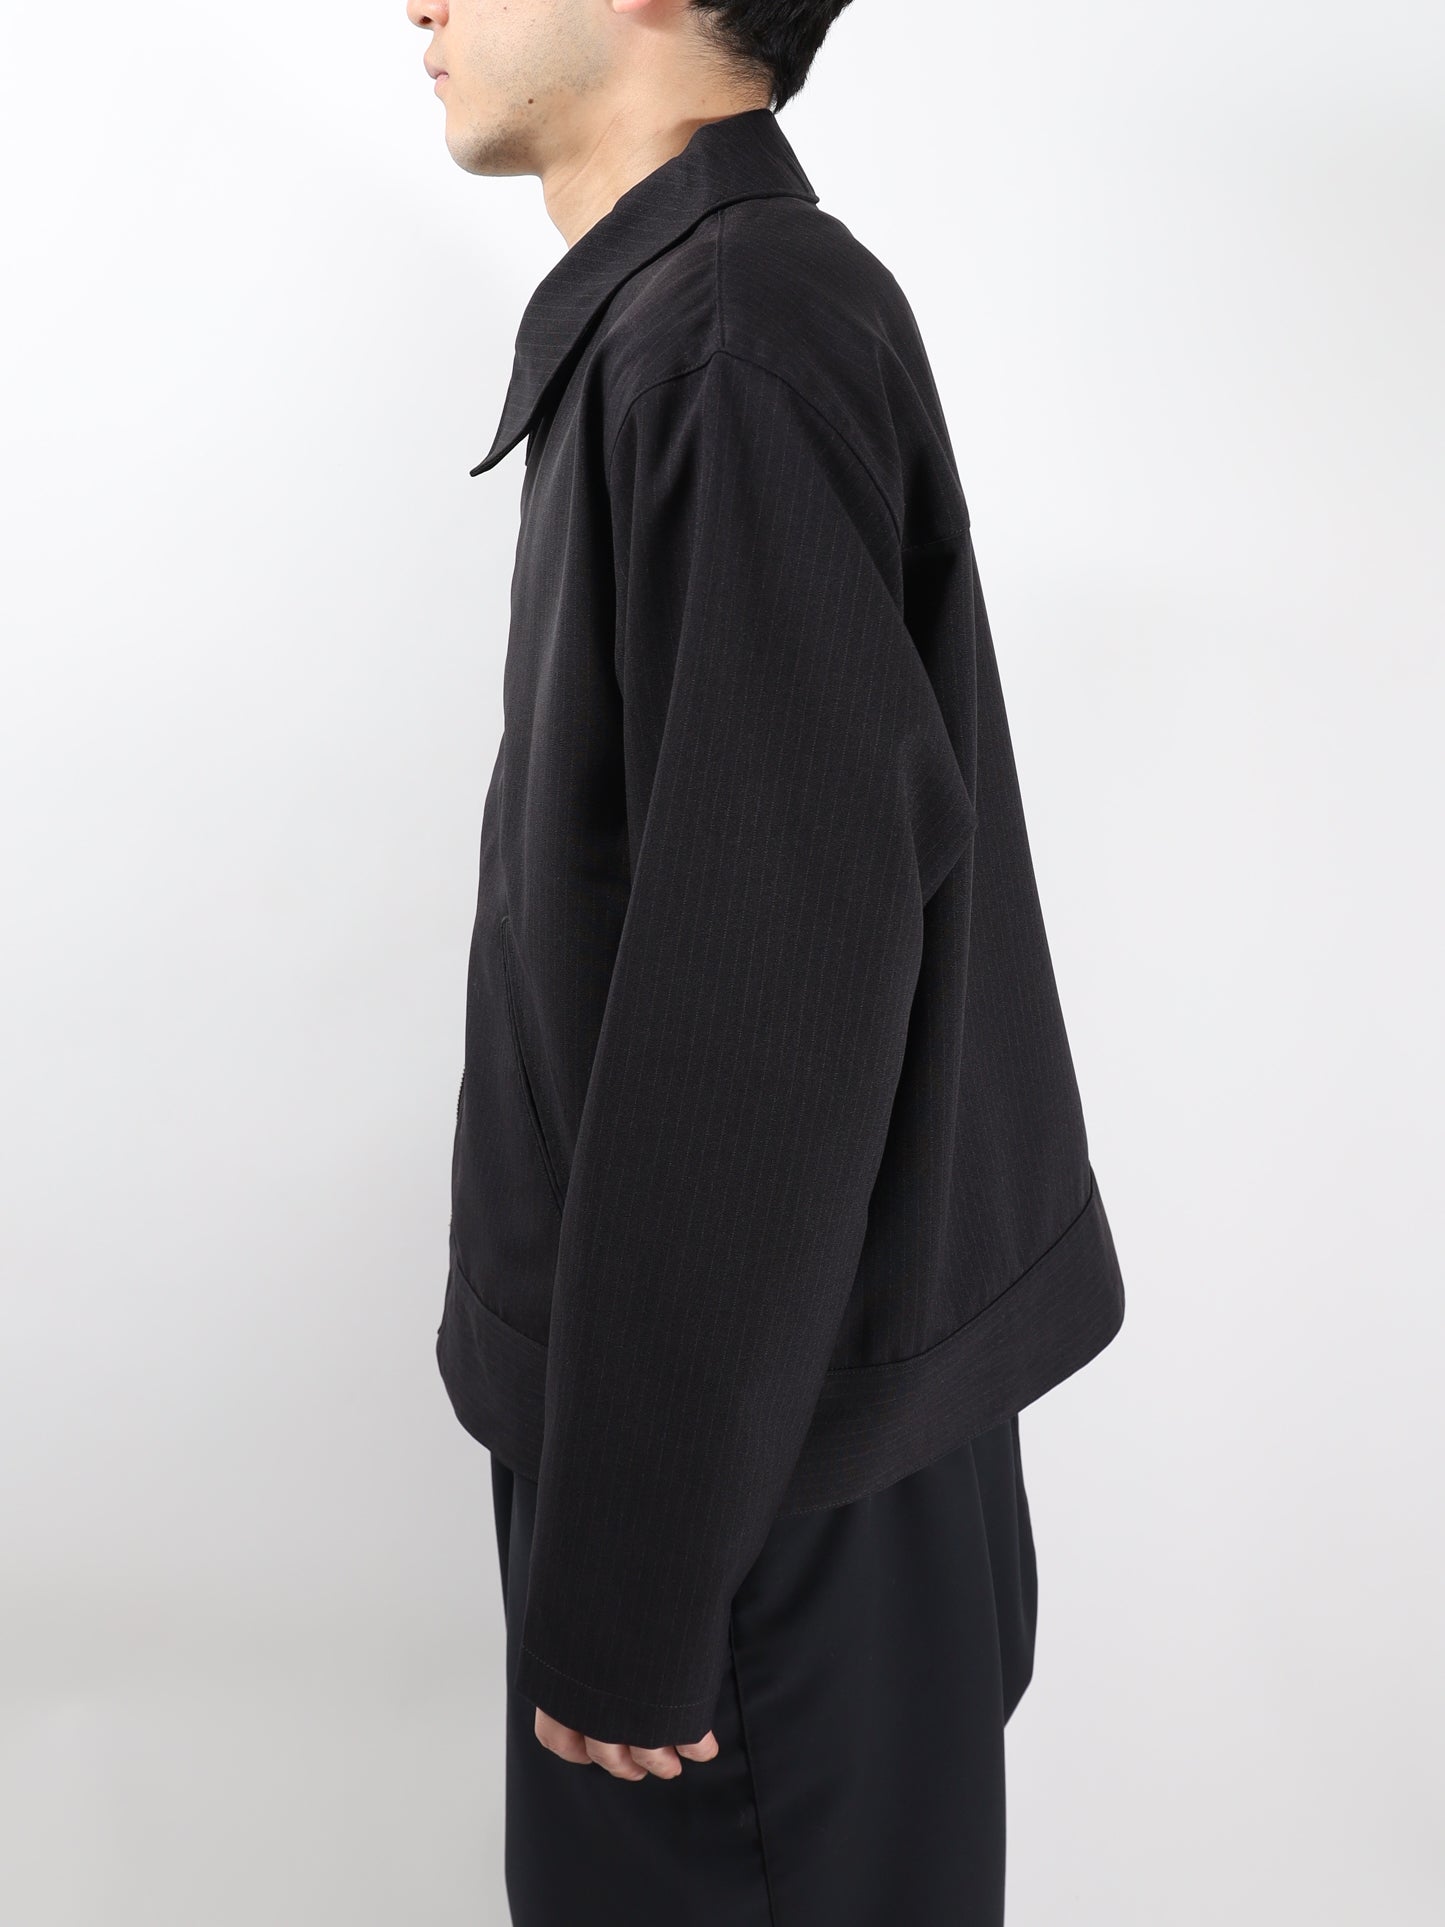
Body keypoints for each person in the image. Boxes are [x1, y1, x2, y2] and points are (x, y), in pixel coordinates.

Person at [410, 2, 1126, 1919]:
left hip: (745, 1487)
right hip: (736, 1442)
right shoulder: (696, 323)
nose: (416, 4)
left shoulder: (733, 339)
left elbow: (766, 1001)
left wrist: (643, 1572)